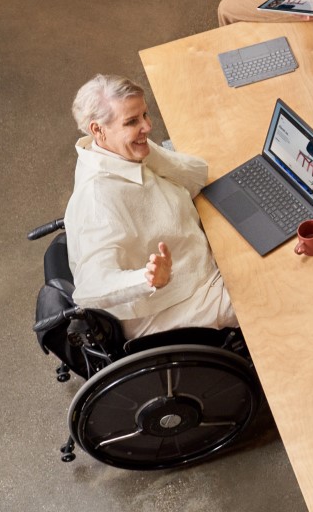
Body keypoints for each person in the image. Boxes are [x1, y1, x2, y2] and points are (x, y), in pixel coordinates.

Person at [63, 75, 238, 339]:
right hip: (175, 301)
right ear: (98, 130)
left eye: (145, 114)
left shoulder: (119, 149)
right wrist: (146, 279)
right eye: (132, 121)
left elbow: (198, 175)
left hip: (198, 256)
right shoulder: (98, 201)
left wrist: (150, 154)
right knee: (270, 293)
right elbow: (89, 290)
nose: (147, 126)